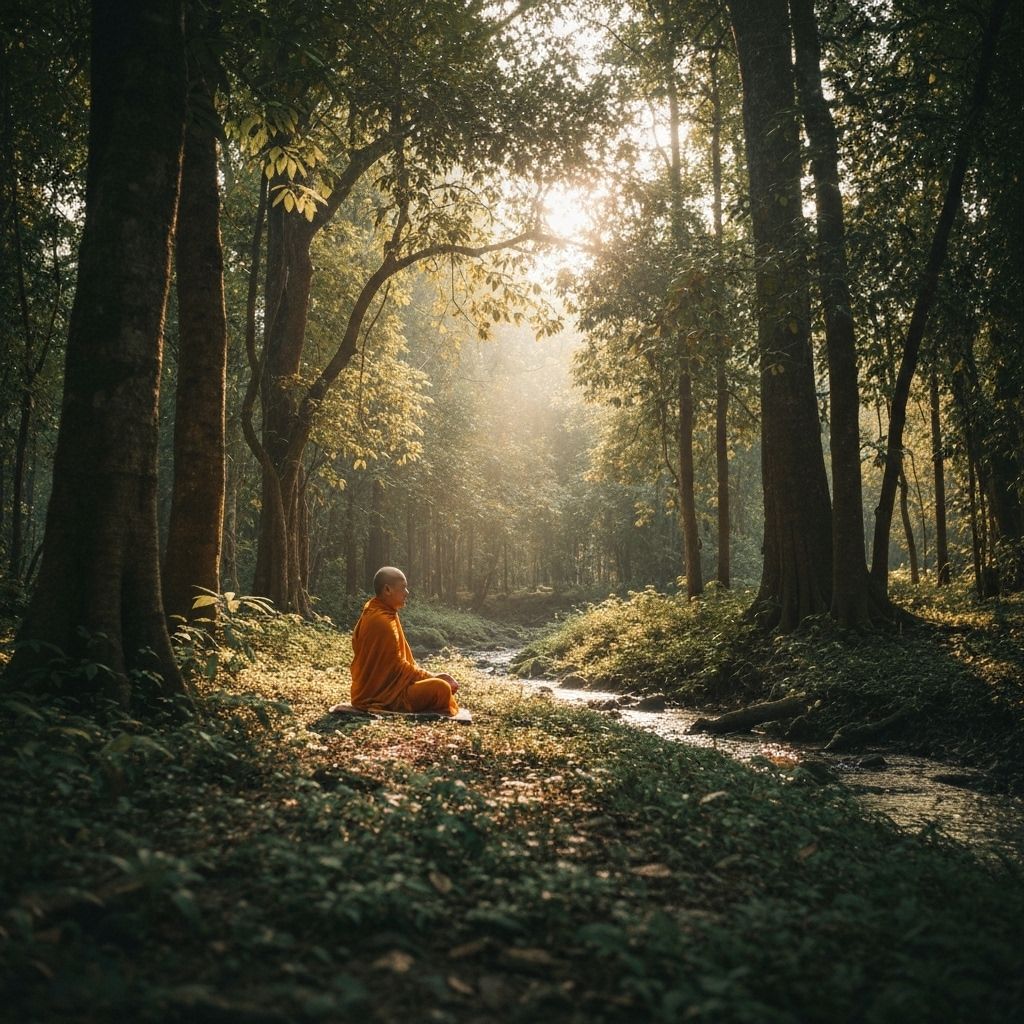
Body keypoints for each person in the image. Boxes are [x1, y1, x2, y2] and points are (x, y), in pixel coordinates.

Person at [348, 566, 460, 715]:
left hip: (387, 686)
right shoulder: (381, 621)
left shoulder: (381, 611)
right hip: (384, 695)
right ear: (387, 590)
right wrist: (432, 676)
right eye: (403, 588)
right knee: (441, 688)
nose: (407, 593)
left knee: (438, 684)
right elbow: (396, 667)